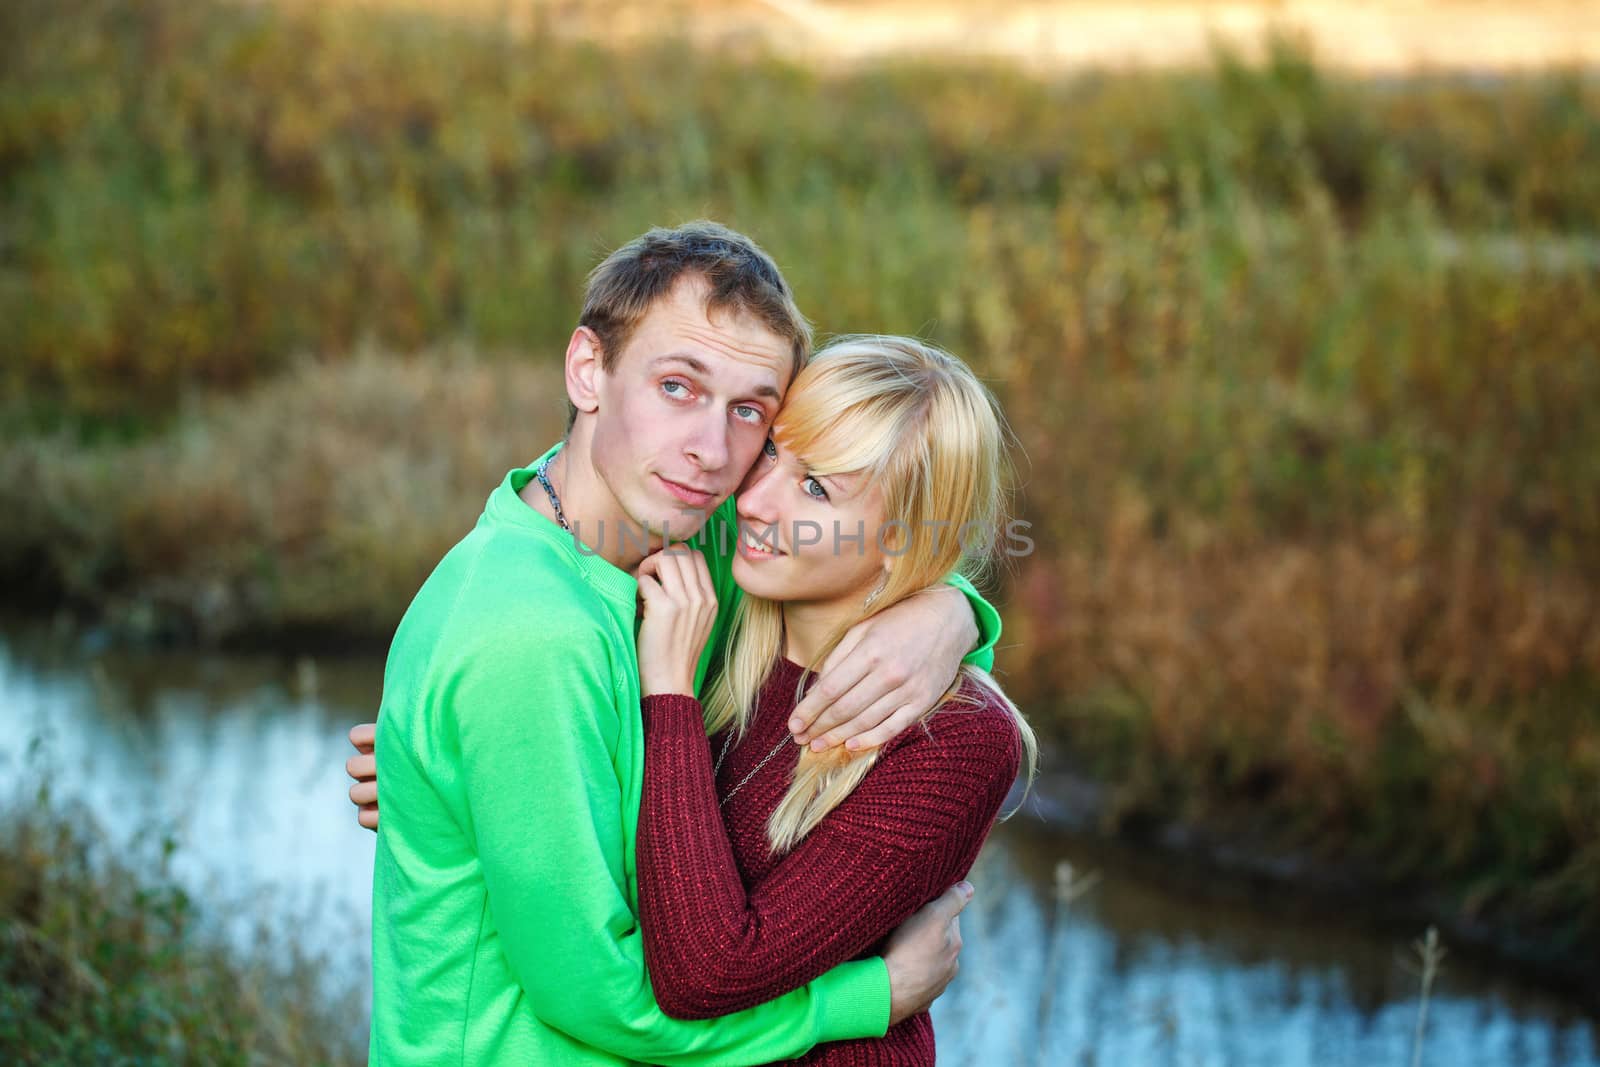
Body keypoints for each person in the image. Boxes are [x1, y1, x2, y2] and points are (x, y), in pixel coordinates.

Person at [357, 222, 1004, 1065]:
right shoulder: (533, 635)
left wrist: (950, 616)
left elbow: (869, 539)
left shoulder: (699, 556)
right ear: (588, 370)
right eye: (675, 386)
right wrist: (868, 995)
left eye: (749, 414)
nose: (714, 454)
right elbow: (607, 996)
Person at [630, 334, 1035, 1064]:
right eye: (773, 453)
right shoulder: (716, 589)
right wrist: (449, 759)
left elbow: (707, 974)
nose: (753, 499)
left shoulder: (960, 739)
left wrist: (669, 694)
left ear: (905, 535)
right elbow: (576, 483)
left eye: (816, 488)